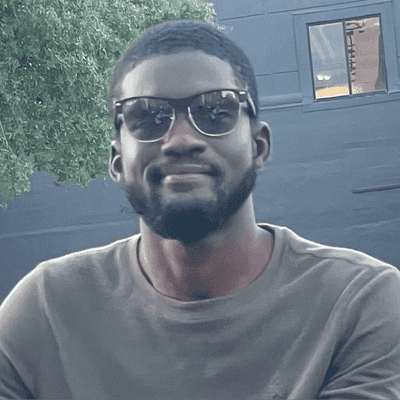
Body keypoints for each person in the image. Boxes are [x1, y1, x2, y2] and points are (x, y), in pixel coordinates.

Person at [0, 20, 399, 400]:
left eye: (216, 111)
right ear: (117, 161)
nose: (180, 140)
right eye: (147, 116)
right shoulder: (44, 311)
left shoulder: (361, 303)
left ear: (259, 146)